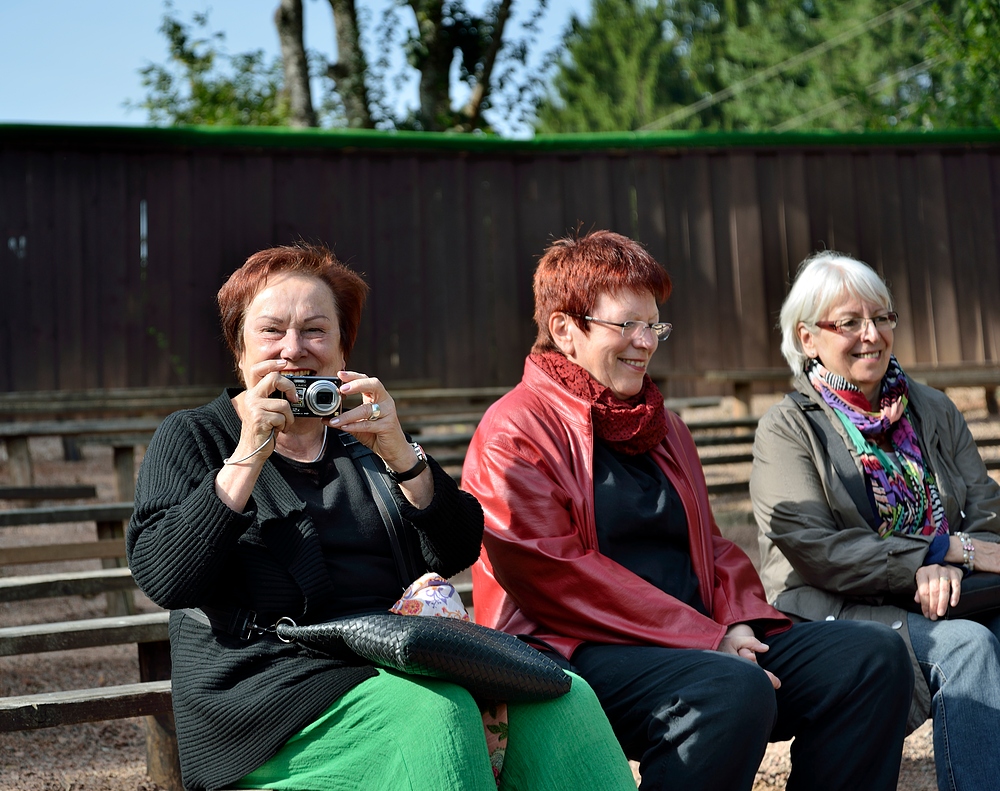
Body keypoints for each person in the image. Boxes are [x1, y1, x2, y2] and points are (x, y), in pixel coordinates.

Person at [126, 243, 638, 791]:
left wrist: (400, 454)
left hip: (395, 658)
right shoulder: (195, 436)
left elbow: (459, 546)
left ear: (343, 349)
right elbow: (165, 576)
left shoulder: (362, 436)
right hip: (266, 692)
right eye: (271, 331)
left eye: (315, 331)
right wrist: (250, 451)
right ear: (240, 348)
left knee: (565, 697)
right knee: (438, 715)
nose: (293, 350)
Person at [461, 230, 913, 791]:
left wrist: (738, 619)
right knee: (729, 689)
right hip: (571, 651)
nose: (645, 342)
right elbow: (553, 576)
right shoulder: (514, 429)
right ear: (564, 330)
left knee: (871, 656)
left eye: (654, 325)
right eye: (625, 325)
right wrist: (703, 636)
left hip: (697, 640)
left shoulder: (663, 425)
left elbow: (712, 546)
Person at [750, 250, 1000, 791]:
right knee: (968, 647)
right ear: (808, 337)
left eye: (881, 317)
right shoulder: (787, 428)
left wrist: (958, 556)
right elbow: (814, 548)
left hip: (946, 596)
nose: (872, 334)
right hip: (833, 613)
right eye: (849, 322)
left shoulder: (931, 408)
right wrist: (932, 555)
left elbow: (987, 510)